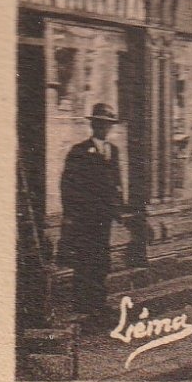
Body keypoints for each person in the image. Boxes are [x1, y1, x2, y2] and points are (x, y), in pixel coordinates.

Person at [58, 103, 123, 319]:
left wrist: (118, 207)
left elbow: (116, 181)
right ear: (93, 125)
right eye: (100, 124)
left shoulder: (112, 151)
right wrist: (72, 213)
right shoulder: (79, 151)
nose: (104, 128)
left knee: (102, 258)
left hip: (104, 216)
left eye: (108, 125)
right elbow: (68, 184)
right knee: (85, 257)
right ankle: (82, 303)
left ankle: (98, 301)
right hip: (85, 216)